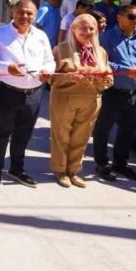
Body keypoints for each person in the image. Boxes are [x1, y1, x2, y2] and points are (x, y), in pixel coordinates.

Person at [0, 0, 56, 189]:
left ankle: (17, 169)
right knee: (3, 132)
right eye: (21, 12)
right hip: (8, 92)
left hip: (34, 93)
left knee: (23, 134)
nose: (25, 17)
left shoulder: (41, 36)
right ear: (13, 12)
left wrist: (47, 71)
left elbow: (50, 60)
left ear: (35, 15)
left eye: (30, 13)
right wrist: (7, 67)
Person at [94, 5, 136, 182]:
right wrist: (126, 70)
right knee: (103, 129)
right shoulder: (106, 37)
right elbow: (102, 62)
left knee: (128, 130)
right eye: (132, 17)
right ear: (120, 17)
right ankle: (102, 163)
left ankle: (121, 163)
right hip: (112, 91)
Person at [49, 14, 113, 188]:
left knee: (81, 137)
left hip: (91, 99)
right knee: (61, 135)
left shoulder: (100, 52)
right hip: (65, 98)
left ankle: (73, 170)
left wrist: (102, 79)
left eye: (91, 28)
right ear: (73, 29)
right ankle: (60, 170)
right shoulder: (60, 49)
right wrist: (69, 77)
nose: (88, 32)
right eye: (83, 28)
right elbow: (50, 78)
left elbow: (109, 78)